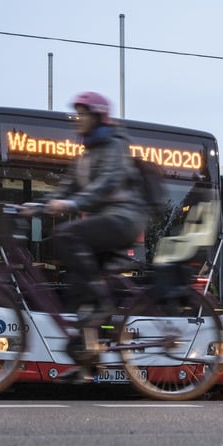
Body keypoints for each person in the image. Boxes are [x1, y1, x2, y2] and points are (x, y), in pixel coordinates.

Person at [44, 92, 148, 363]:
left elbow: (107, 184)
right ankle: (88, 358)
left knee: (66, 234)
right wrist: (33, 205)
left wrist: (70, 203)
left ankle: (103, 303)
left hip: (124, 219)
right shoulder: (86, 155)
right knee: (78, 286)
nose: (78, 120)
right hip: (107, 222)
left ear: (98, 116)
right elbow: (64, 188)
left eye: (83, 114)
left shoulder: (114, 146)